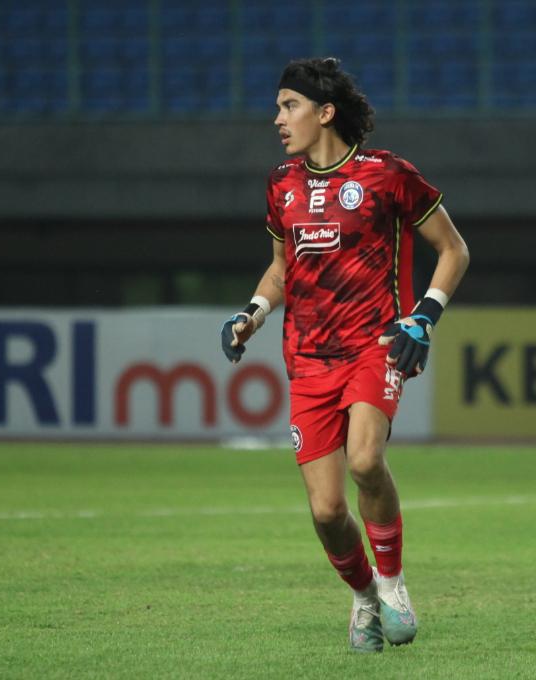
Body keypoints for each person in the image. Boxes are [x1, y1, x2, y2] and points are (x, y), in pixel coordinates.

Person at [220, 57, 469, 653]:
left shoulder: (387, 176)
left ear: (324, 112)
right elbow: (283, 270)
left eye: (289, 106)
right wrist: (251, 313)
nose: (277, 119)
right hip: (306, 359)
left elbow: (453, 250)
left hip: (373, 346)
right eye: (279, 107)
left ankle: (392, 582)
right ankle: (362, 599)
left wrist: (424, 318)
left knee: (364, 461)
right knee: (329, 511)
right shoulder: (282, 184)